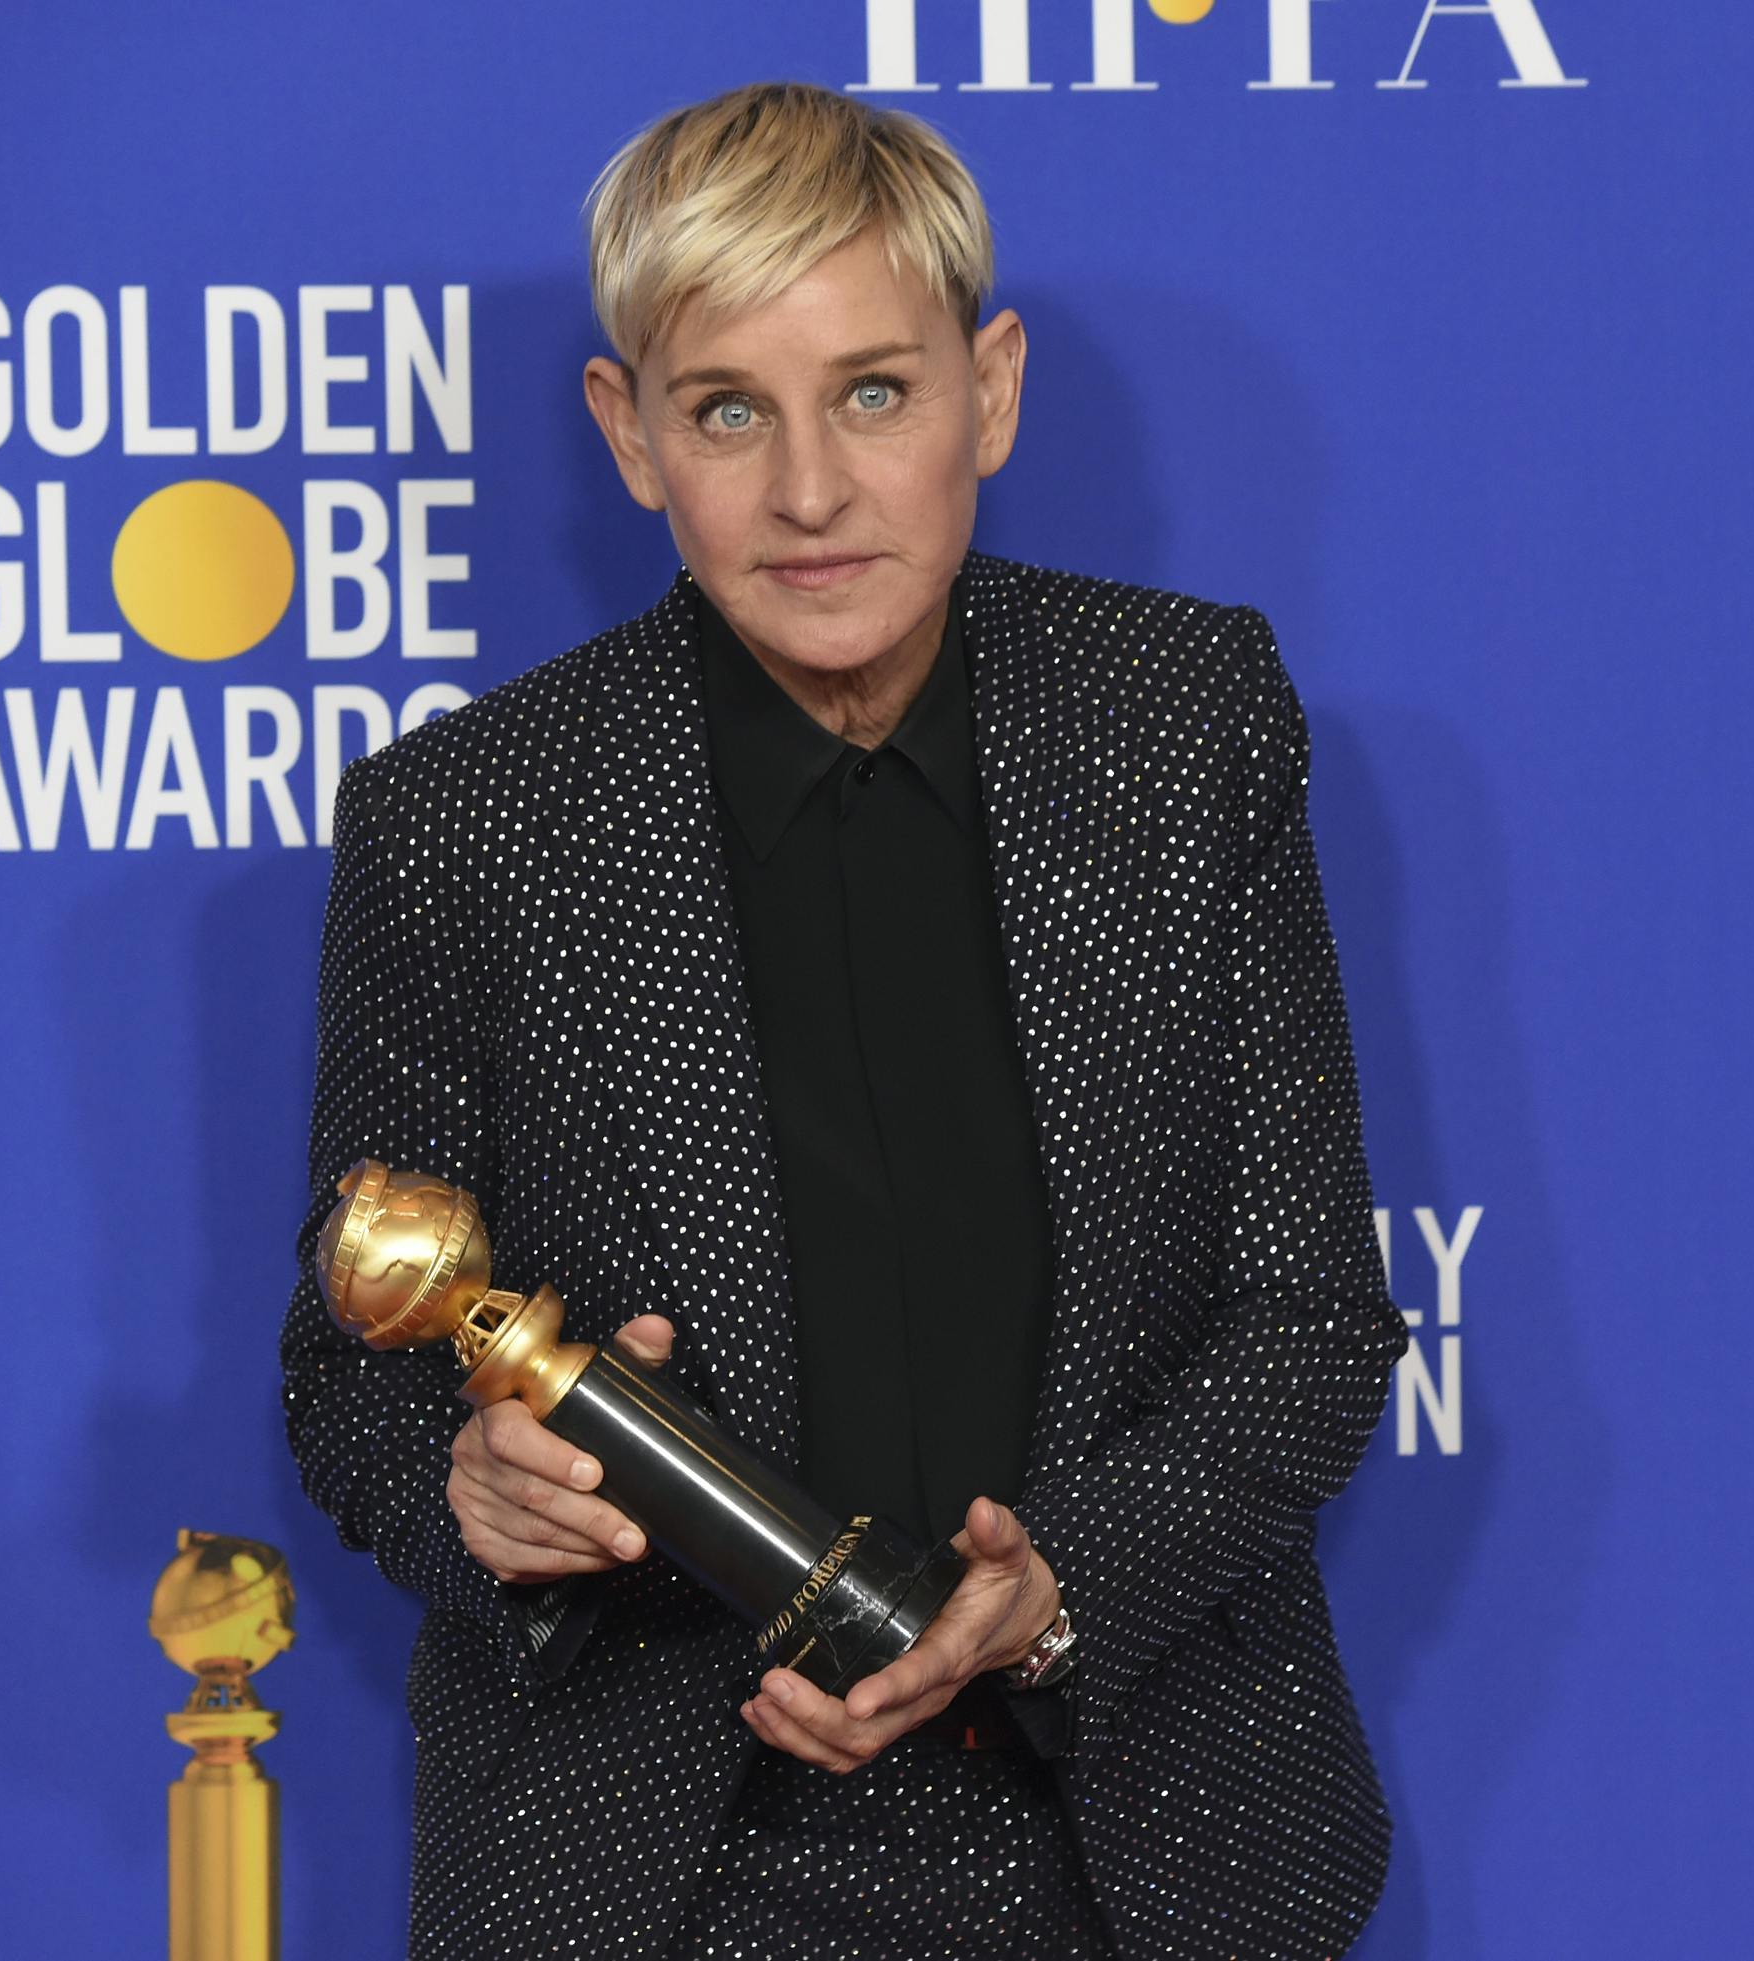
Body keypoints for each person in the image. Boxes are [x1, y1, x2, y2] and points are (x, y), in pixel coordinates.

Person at [279, 79, 1407, 1961]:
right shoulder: (467, 820)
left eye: (875, 392)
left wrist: (1059, 1594)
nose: (810, 490)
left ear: (996, 390)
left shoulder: (1182, 725)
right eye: (730, 409)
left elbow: (1308, 1321)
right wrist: (472, 1489)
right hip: (655, 1872)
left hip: (1142, 1836)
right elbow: (352, 1375)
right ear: (628, 434)